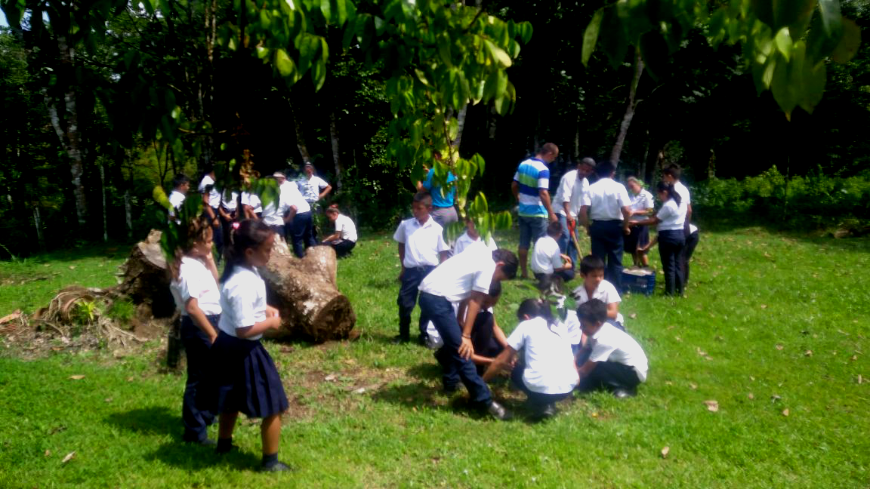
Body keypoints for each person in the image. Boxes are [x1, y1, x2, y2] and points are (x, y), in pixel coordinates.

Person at [204, 220, 291, 472]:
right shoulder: (243, 283)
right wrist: (271, 322)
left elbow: (239, 307)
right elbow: (244, 330)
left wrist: (262, 308)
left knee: (230, 400)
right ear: (249, 252)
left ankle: (223, 445)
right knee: (274, 405)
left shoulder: (241, 272)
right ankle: (270, 462)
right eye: (267, 249)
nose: (271, 253)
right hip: (244, 350)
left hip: (226, 346)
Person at [418, 246, 519, 420]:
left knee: (454, 343)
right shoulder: (488, 266)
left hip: (432, 295)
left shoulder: (480, 252)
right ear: (500, 264)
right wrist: (466, 336)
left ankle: (450, 383)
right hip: (437, 299)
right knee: (462, 350)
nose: (496, 281)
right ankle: (484, 401)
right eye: (499, 277)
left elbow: (467, 291)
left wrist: (459, 318)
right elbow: (476, 299)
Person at [169, 215, 220, 446]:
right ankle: (194, 431)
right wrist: (211, 333)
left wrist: (210, 260)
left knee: (211, 375)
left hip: (210, 320)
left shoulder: (198, 263)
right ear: (195, 243)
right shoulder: (186, 269)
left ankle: (207, 415)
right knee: (198, 379)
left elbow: (216, 283)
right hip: (198, 325)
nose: (212, 244)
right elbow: (192, 307)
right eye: (208, 241)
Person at [483, 298, 578, 421]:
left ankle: (540, 402)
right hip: (566, 389)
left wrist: (481, 382)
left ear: (526, 317)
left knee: (516, 371)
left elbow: (501, 360)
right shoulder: (560, 326)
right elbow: (572, 363)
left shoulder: (527, 325)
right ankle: (547, 403)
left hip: (539, 387)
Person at [393, 191, 450, 343]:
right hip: (411, 270)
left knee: (427, 304)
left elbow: (443, 252)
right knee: (405, 302)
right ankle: (403, 334)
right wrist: (403, 266)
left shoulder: (438, 229)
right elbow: (401, 244)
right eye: (414, 208)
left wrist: (441, 273)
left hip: (430, 271)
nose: (415, 211)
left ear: (429, 209)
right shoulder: (406, 225)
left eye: (419, 208)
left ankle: (424, 334)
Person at [575, 299, 648, 398]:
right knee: (585, 359)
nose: (581, 328)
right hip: (619, 364)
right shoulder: (597, 330)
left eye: (584, 325)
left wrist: (570, 375)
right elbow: (584, 350)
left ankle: (625, 387)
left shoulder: (604, 340)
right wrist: (573, 360)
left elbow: (584, 371)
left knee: (593, 371)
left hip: (632, 373)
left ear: (597, 324)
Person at [579, 160, 631, 292]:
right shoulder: (619, 187)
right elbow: (627, 210)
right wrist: (625, 226)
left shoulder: (591, 188)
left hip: (598, 225)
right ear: (612, 173)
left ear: (596, 174)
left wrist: (587, 227)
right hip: (614, 225)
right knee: (615, 260)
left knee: (598, 261)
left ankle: (597, 288)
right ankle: (616, 290)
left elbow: (583, 211)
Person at [511, 143, 560, 279]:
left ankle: (524, 273)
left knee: (523, 243)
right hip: (538, 212)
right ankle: (541, 275)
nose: (553, 160)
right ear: (549, 153)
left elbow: (514, 185)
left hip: (523, 211)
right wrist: (551, 213)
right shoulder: (543, 169)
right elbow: (543, 193)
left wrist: (518, 198)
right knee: (540, 244)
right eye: (554, 157)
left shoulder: (523, 164)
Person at [631, 182, 686, 295]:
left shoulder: (669, 205)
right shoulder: (681, 202)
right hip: (680, 235)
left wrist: (637, 222)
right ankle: (679, 290)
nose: (659, 197)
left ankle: (669, 292)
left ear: (664, 192)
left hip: (668, 237)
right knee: (678, 264)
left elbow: (654, 220)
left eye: (659, 194)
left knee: (669, 265)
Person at [453, 281, 508, 375]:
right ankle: (475, 368)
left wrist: (510, 349)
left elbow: (495, 327)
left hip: (474, 338)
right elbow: (459, 324)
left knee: (499, 347)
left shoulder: (485, 305)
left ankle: (480, 362)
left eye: (493, 304)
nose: (488, 306)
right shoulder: (466, 303)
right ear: (480, 295)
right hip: (460, 339)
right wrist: (493, 362)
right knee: (486, 318)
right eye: (486, 302)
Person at [553, 157, 596, 266]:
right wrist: (568, 214)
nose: (584, 172)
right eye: (582, 169)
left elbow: (583, 204)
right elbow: (565, 198)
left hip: (573, 214)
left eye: (587, 171)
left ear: (591, 172)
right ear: (579, 166)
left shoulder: (585, 182)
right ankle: (558, 264)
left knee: (574, 239)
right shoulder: (569, 177)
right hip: (561, 211)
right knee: (565, 236)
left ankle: (572, 266)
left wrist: (583, 221)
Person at [571, 255, 625, 329]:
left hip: (608, 322)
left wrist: (591, 313)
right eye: (594, 276)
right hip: (586, 326)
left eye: (601, 275)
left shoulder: (607, 287)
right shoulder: (576, 293)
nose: (598, 279)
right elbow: (572, 314)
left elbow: (613, 313)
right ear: (583, 275)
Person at [639, 223, 700, 288]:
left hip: (691, 235)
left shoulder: (664, 224)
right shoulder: (661, 226)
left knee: (683, 259)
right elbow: (658, 237)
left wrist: (646, 247)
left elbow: (658, 237)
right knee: (677, 261)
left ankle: (683, 282)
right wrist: (646, 247)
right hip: (680, 236)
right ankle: (677, 282)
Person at [417, 152, 458, 228]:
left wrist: (417, 177)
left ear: (436, 156)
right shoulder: (453, 172)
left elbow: (421, 190)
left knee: (432, 238)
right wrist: (429, 173)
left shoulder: (433, 171)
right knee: (451, 239)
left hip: (439, 213)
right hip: (453, 212)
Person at [531, 221, 575, 285]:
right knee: (571, 273)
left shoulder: (540, 239)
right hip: (547, 274)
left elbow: (545, 252)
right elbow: (557, 268)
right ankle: (553, 282)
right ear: (560, 234)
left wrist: (561, 255)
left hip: (536, 273)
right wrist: (567, 266)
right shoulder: (555, 246)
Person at [625, 177, 654, 268]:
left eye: (632, 186)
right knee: (633, 248)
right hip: (631, 224)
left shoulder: (647, 195)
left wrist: (634, 212)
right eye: (629, 187)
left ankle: (646, 266)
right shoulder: (630, 196)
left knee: (641, 248)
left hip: (641, 224)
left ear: (638, 184)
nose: (631, 189)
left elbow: (650, 211)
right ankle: (636, 265)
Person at [284, 180, 314, 258]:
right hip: (307, 210)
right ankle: (314, 256)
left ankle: (300, 259)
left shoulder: (282, 191)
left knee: (297, 238)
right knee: (309, 236)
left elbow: (294, 209)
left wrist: (287, 219)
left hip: (299, 214)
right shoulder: (292, 186)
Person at [198, 168, 223, 258]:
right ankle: (214, 258)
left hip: (214, 210)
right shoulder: (207, 182)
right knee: (215, 237)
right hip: (209, 211)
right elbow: (205, 202)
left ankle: (217, 257)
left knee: (217, 236)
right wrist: (214, 218)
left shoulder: (214, 181)